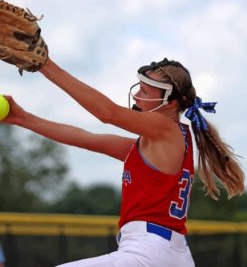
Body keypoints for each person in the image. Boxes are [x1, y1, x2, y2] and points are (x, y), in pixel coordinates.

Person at [1, 57, 244, 267]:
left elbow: (108, 113)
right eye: (138, 88)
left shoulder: (165, 128)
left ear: (170, 103)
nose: (137, 95)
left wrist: (45, 65)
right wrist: (23, 118)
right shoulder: (153, 145)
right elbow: (85, 138)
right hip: (170, 254)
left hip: (148, 252)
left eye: (145, 91)